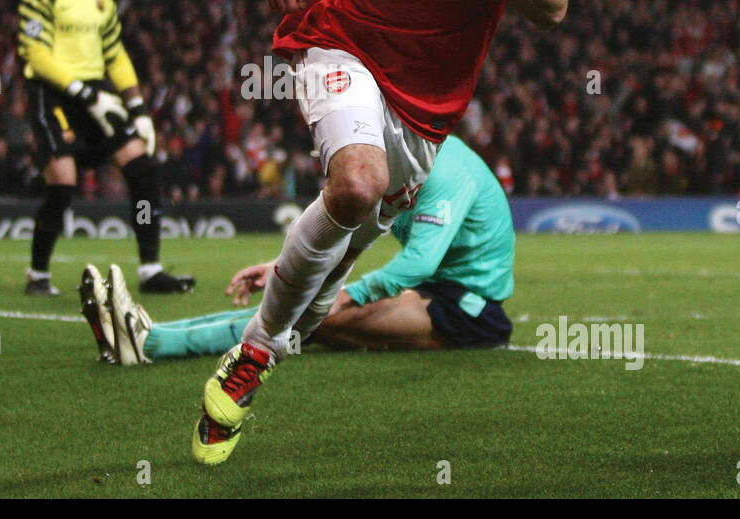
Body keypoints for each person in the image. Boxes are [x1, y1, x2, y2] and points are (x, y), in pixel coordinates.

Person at [192, 0, 576, 464]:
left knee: (344, 242)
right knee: (358, 184)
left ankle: (264, 340)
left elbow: (554, 7)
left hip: (426, 105)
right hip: (340, 35)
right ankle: (254, 355)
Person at [83, 135, 515, 369]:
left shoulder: (446, 170)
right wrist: (284, 267)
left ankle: (153, 342)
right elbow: (354, 233)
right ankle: (146, 334)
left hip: (468, 311)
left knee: (311, 316)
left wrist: (351, 295)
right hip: (434, 292)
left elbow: (419, 260)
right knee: (304, 311)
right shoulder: (405, 162)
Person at [16, 0, 194, 296]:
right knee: (63, 183)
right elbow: (34, 52)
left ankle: (150, 270)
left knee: (142, 166)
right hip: (55, 93)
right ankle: (38, 273)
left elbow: (115, 54)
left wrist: (139, 108)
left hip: (96, 93)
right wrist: (82, 91)